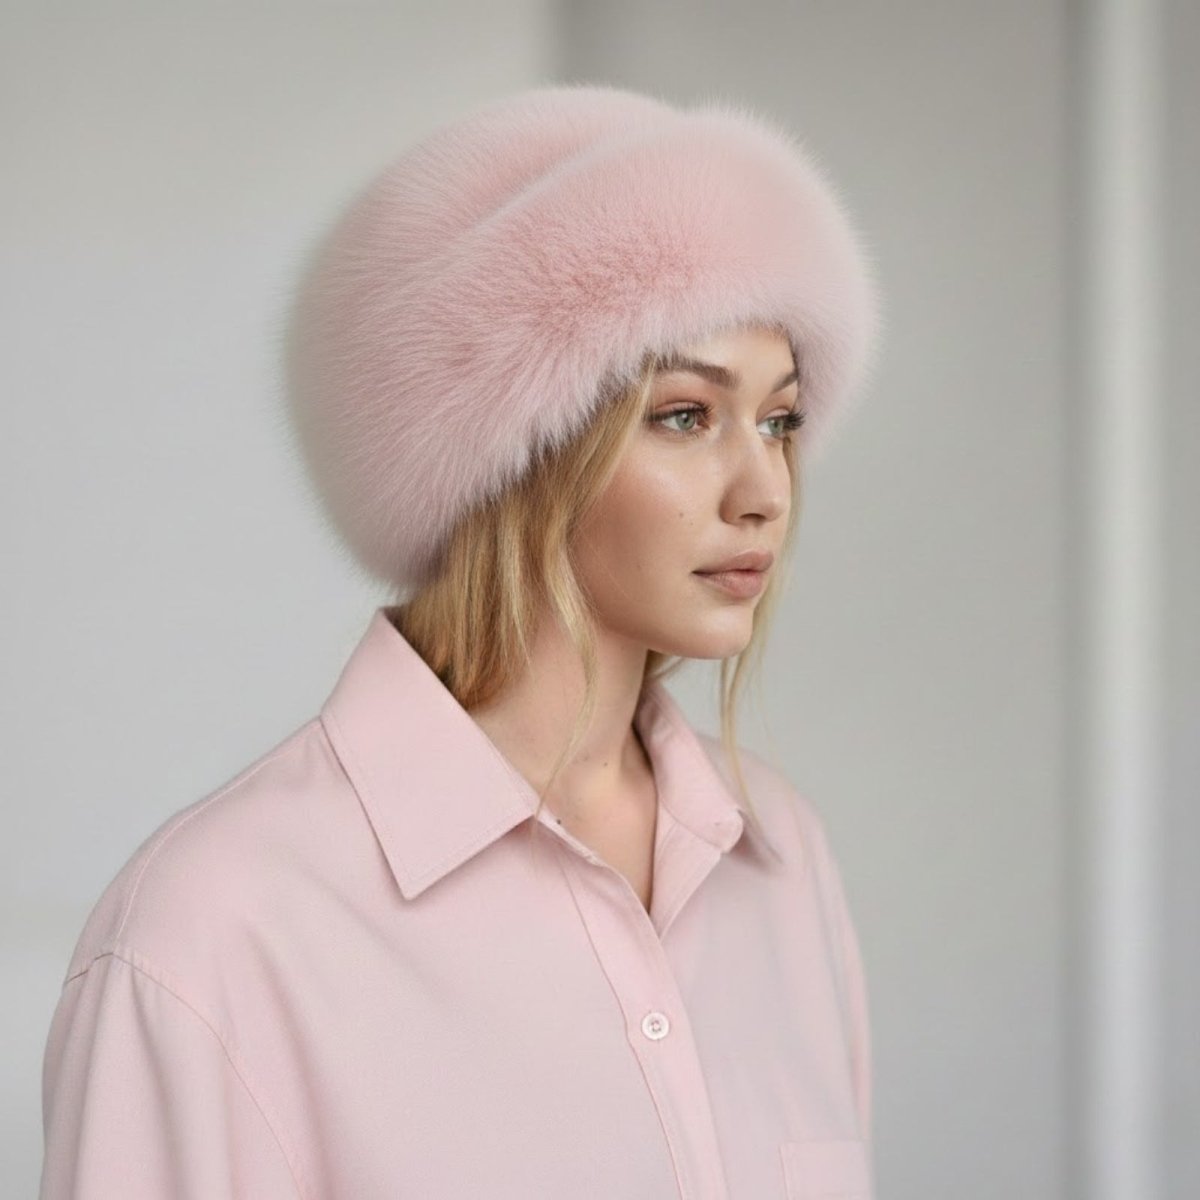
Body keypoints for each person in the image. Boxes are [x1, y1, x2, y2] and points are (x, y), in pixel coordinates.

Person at [38, 83, 883, 1198]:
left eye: (779, 420)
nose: (764, 490)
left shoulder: (781, 860)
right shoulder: (213, 936)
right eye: (686, 415)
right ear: (513, 453)